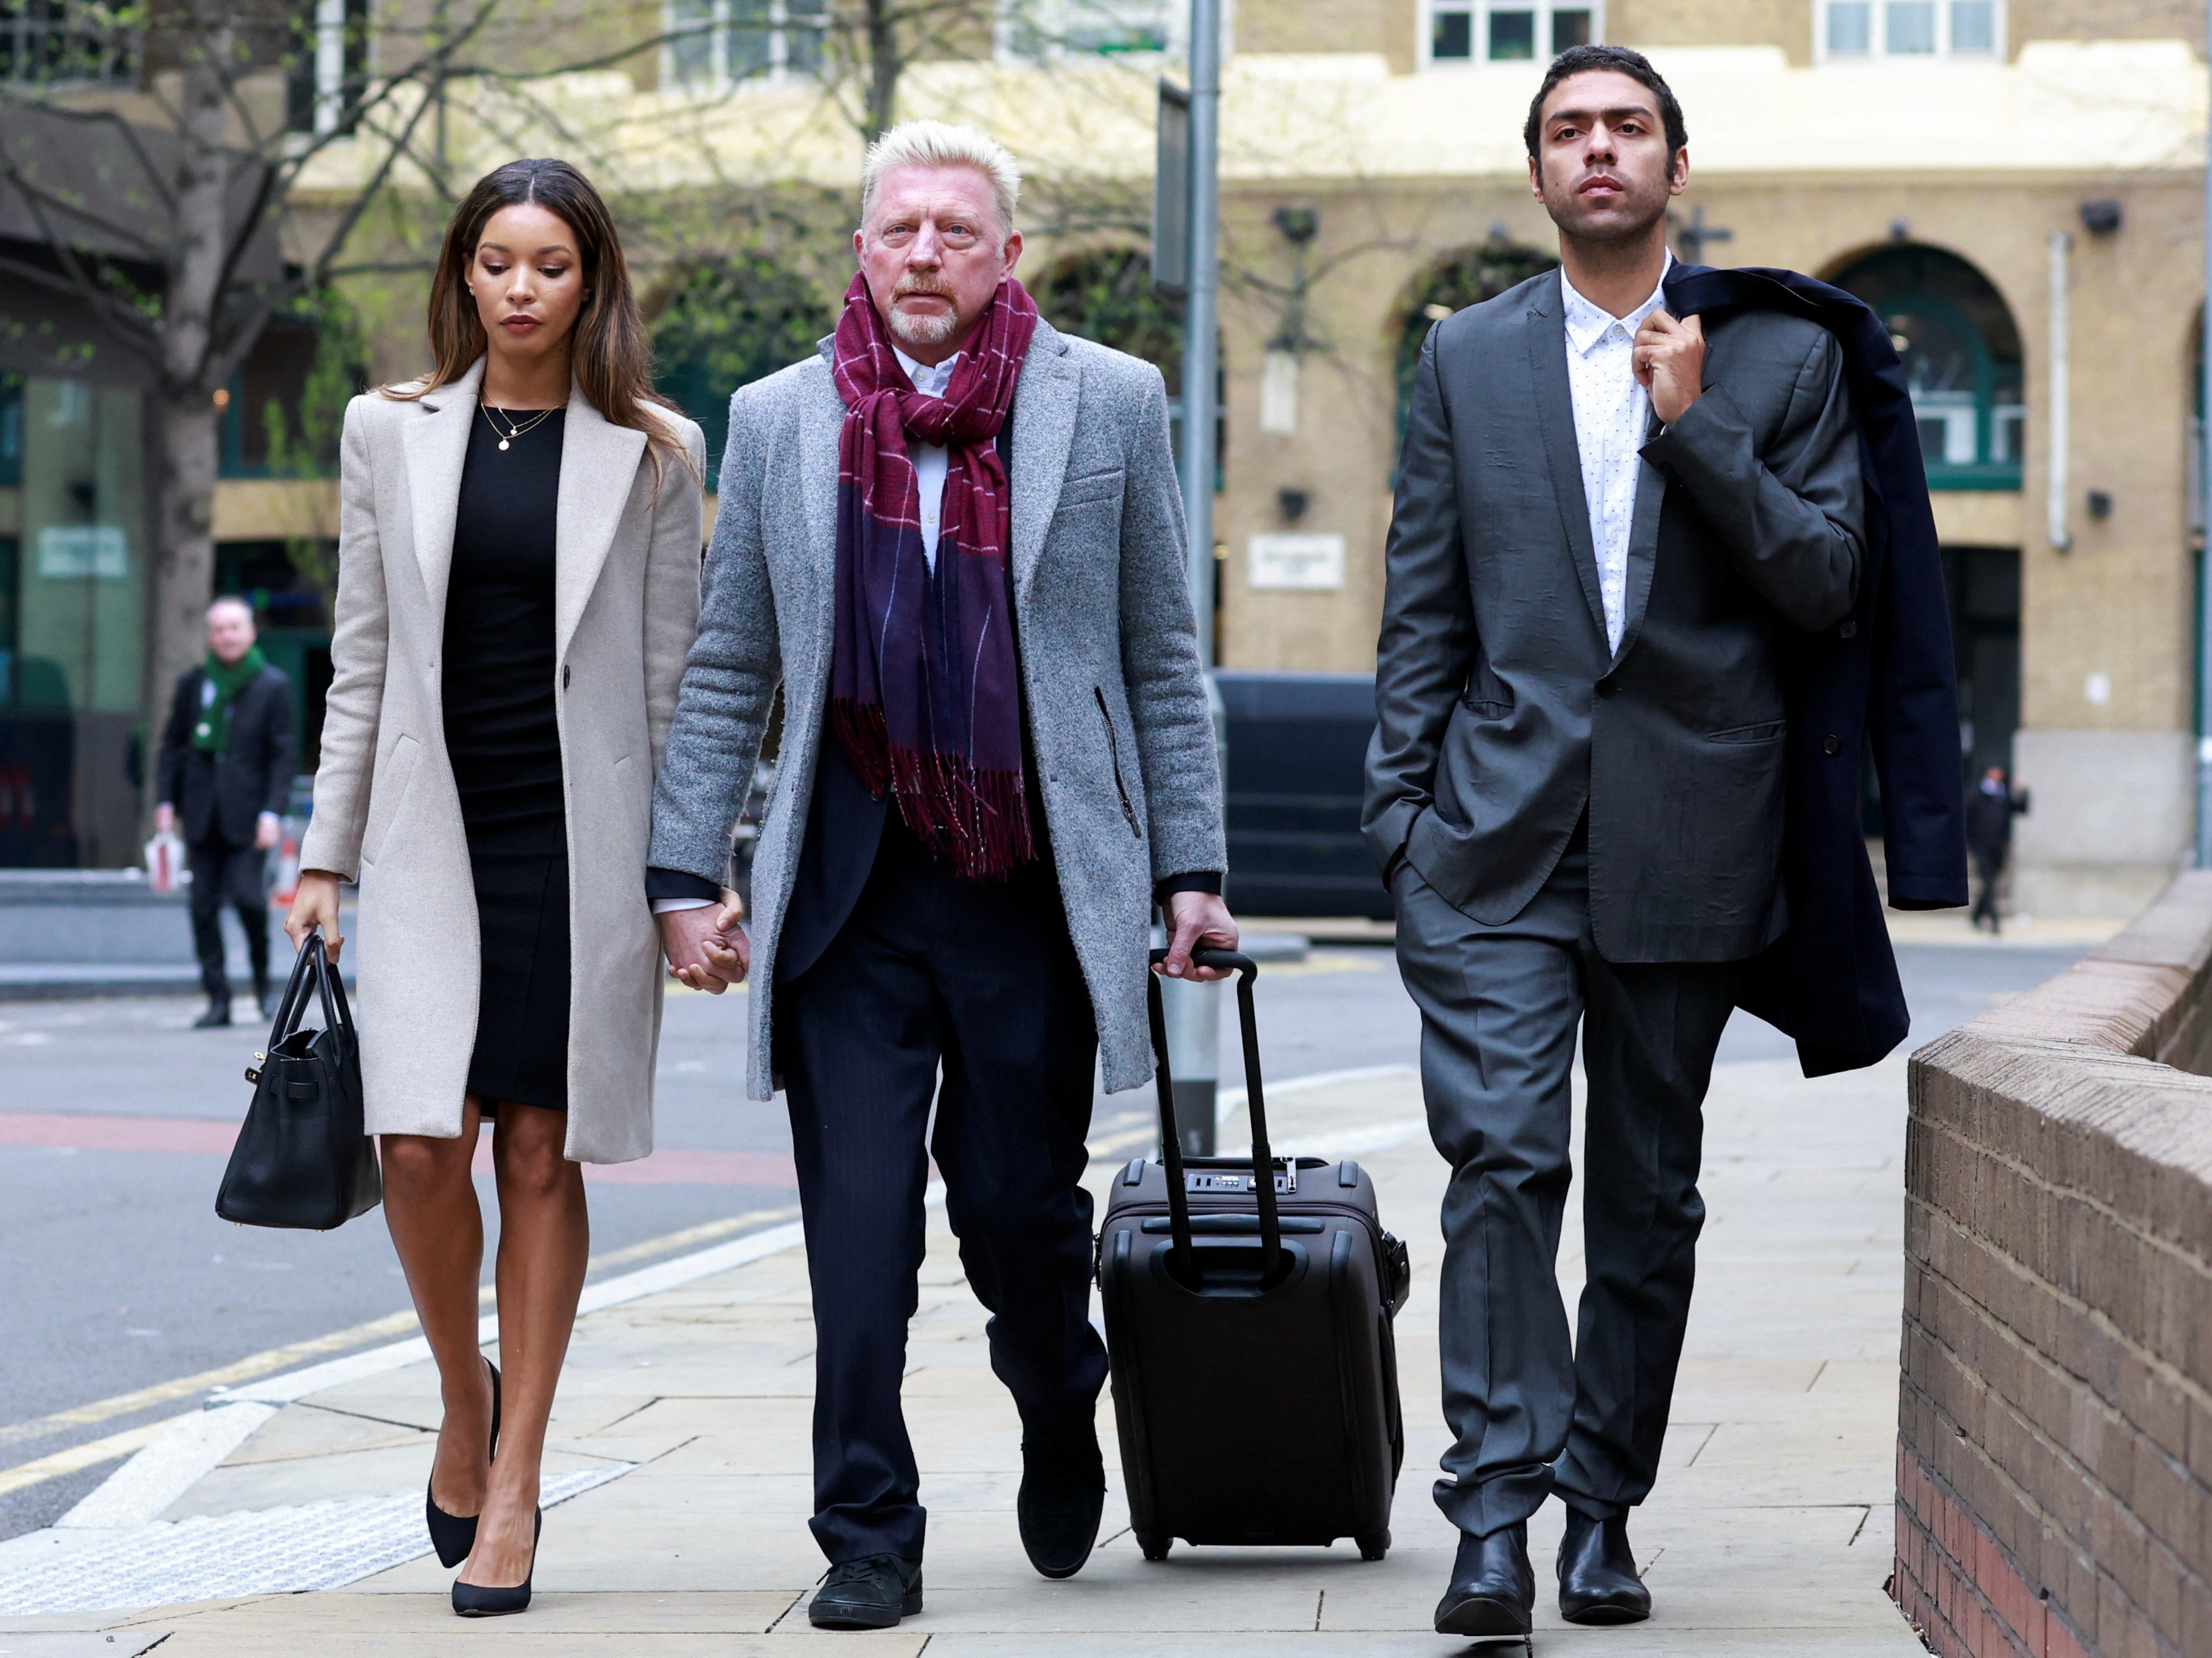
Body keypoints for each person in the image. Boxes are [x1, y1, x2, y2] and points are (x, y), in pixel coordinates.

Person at [648, 119, 1233, 1630]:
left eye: (953, 232)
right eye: (897, 229)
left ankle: (1057, 1394)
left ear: (1004, 256)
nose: (922, 255)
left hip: (1025, 884)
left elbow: (1160, 658)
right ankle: (865, 1530)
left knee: (1014, 1214)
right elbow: (728, 661)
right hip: (846, 886)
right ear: (863, 248)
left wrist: (1191, 864)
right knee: (858, 1236)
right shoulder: (778, 417)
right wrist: (678, 866)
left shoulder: (1106, 401)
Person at [1365, 45, 1869, 1637]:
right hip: (1492, 841)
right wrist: (1399, 820)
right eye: (1568, 130)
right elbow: (1420, 605)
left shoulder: (1775, 358)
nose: (1597, 150)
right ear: (1536, 174)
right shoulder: (1464, 357)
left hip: (1690, 837)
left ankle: (1603, 1501)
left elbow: (1823, 584)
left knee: (1647, 1193)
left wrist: (1693, 429)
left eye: (1624, 127)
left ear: (1669, 161)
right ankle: (1493, 1512)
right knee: (1501, 1161)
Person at [285, 158, 703, 1619]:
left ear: (592, 282)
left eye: (553, 264)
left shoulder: (655, 451)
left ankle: (514, 1476)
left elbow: (674, 686)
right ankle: (462, 1392)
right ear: (462, 273)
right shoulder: (384, 433)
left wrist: (687, 877)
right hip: (422, 836)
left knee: (539, 1146)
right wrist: (324, 850)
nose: (523, 288)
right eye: (498, 261)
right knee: (416, 1144)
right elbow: (362, 654)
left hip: (576, 845)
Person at [156, 596, 295, 1027]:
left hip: (249, 818)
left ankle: (262, 988)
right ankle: (218, 998)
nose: (227, 636)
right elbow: (172, 748)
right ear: (209, 637)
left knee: (251, 903)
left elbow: (282, 756)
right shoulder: (193, 684)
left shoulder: (272, 686)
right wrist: (166, 802)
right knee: (202, 908)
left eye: (234, 627)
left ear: (250, 632)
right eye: (218, 629)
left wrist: (272, 813)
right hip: (201, 815)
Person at [1966, 764, 2029, 931]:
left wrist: (2023, 792)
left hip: (1999, 845)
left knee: (1991, 881)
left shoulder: (2004, 793)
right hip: (1980, 845)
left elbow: (2020, 809)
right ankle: (1994, 920)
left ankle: (1977, 915)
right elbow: (1967, 819)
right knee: (1989, 881)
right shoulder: (1975, 793)